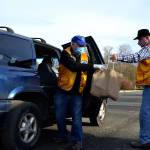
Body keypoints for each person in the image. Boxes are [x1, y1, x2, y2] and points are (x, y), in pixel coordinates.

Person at [54, 35, 103, 150]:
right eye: (80, 45)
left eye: (83, 46)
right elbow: (74, 66)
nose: (82, 48)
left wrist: (98, 72)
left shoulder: (85, 55)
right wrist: (93, 66)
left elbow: (89, 69)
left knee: (76, 117)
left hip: (77, 92)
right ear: (73, 44)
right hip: (63, 90)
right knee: (59, 115)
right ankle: (62, 136)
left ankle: (77, 141)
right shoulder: (65, 54)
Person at [111, 29, 150, 149]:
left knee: (145, 113)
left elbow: (136, 57)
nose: (138, 42)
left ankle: (146, 141)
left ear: (147, 38)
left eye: (139, 39)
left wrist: (118, 57)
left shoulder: (148, 48)